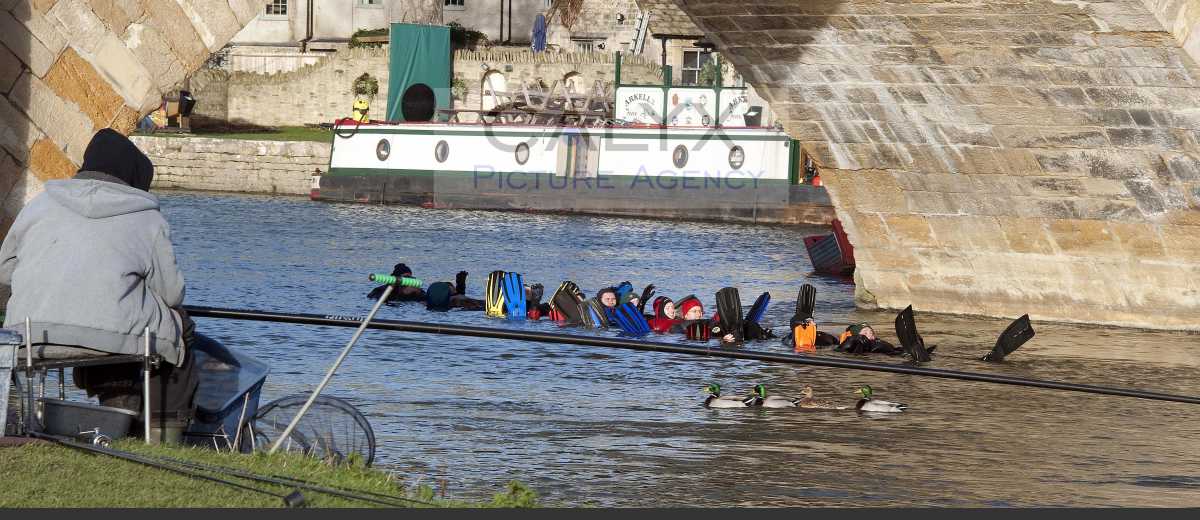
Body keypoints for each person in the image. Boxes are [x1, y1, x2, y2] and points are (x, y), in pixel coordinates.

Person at [0, 128, 200, 442]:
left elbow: (5, 271)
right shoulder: (147, 217)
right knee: (177, 328)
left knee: (112, 326)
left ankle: (117, 413)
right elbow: (171, 293)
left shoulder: (38, 205)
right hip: (111, 337)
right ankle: (164, 435)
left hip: (30, 334)